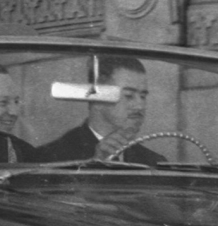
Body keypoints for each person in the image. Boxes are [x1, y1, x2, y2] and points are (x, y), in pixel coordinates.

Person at [32, 58, 162, 165]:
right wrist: (95, 163)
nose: (140, 106)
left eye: (143, 96)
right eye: (129, 95)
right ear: (97, 99)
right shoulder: (50, 158)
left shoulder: (153, 162)